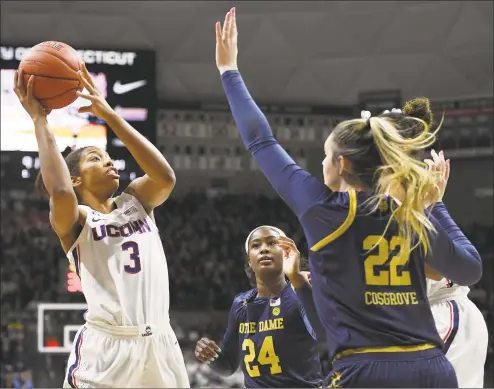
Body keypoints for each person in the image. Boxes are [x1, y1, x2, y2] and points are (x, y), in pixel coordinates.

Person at [214, 8, 482, 387]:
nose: (321, 164)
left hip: (367, 370)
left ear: (341, 164)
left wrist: (229, 71)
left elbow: (261, 140)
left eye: (325, 156)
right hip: (431, 369)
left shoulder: (323, 210)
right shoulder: (409, 214)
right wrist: (435, 206)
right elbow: (470, 269)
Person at [13, 67, 189, 388]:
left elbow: (166, 177)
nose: (109, 162)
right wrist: (41, 121)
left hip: (160, 343)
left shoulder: (136, 200)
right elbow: (62, 191)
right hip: (108, 348)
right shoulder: (76, 220)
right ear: (76, 177)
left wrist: (109, 115)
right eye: (96, 158)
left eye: (109, 157)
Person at [385, 105, 489, 388]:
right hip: (400, 319)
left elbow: (461, 269)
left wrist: (434, 206)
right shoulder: (367, 199)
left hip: (439, 314)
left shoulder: (410, 202)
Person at [195, 226, 324, 388]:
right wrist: (210, 356)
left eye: (272, 243)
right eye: (256, 246)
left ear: (286, 253)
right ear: (249, 260)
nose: (264, 249)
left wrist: (297, 278)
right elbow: (228, 366)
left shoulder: (300, 291)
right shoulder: (241, 304)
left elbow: (323, 334)